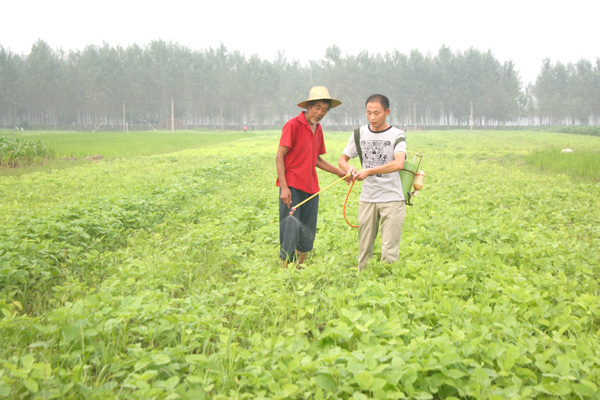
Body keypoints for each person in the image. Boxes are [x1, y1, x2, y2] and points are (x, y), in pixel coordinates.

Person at [276, 86, 350, 268]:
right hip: (292, 185)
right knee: (290, 229)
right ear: (309, 106)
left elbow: (316, 158)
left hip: (311, 187)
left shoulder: (318, 128)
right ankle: (285, 272)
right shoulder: (293, 125)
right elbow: (280, 156)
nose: (320, 113)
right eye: (317, 108)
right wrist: (284, 188)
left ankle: (300, 269)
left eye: (324, 110)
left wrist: (339, 172)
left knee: (307, 230)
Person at [338, 94, 407, 271]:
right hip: (368, 198)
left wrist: (369, 171)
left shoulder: (397, 135)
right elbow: (342, 160)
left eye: (376, 113)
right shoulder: (359, 134)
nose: (372, 117)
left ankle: (388, 286)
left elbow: (399, 163)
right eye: (369, 113)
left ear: (387, 112)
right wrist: (349, 168)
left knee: (389, 248)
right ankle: (364, 280)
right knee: (364, 247)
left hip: (392, 198)